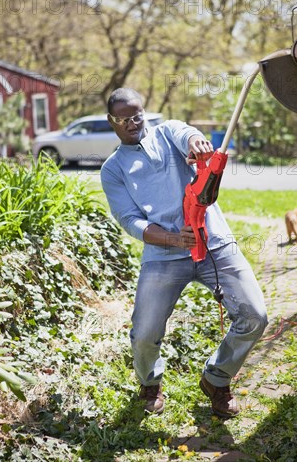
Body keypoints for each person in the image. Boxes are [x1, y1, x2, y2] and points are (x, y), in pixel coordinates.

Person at [100, 87, 268, 418]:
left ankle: (217, 380)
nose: (133, 123)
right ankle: (150, 382)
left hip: (214, 243)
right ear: (112, 122)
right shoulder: (113, 169)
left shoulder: (168, 133)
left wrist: (197, 143)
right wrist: (173, 240)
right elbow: (130, 221)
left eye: (137, 115)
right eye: (124, 119)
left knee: (254, 315)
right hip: (162, 258)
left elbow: (186, 134)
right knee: (144, 332)